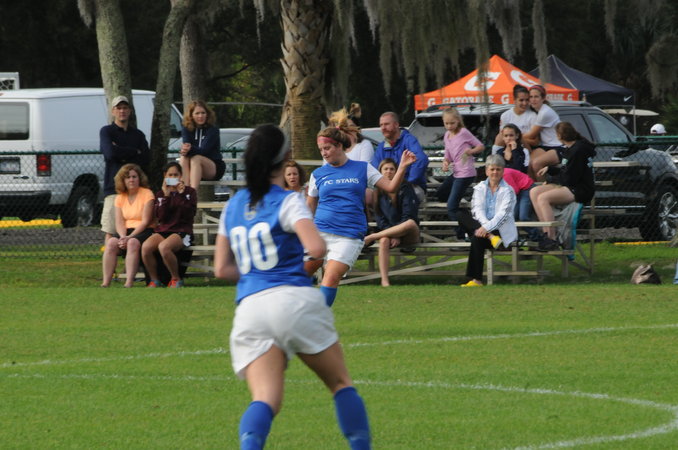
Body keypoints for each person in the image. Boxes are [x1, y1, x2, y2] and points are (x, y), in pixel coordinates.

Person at [214, 124, 371, 449]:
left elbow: (221, 269)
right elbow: (316, 248)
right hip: (293, 300)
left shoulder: (233, 205)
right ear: (285, 157)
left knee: (265, 398)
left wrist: (258, 274)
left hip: (250, 308)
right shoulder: (288, 201)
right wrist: (282, 272)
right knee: (340, 383)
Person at [305, 125, 417, 307]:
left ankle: (317, 318)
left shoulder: (363, 168)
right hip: (320, 233)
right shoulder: (318, 174)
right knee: (297, 276)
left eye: (327, 148)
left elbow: (391, 188)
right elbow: (309, 207)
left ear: (339, 146)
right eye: (321, 150)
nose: (324, 153)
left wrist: (403, 166)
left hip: (348, 236)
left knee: (331, 276)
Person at [530, 121, 596, 251]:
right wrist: (550, 169)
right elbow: (566, 171)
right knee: (534, 192)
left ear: (560, 136)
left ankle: (552, 238)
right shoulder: (570, 149)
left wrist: (551, 179)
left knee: (543, 198)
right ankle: (546, 233)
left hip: (580, 189)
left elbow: (570, 179)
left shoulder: (578, 150)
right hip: (570, 184)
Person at [457, 155, 517, 287]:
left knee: (476, 237)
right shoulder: (479, 188)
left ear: (503, 171)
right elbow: (477, 210)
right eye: (492, 169)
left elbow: (503, 215)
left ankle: (476, 280)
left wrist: (485, 228)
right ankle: (490, 237)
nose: (495, 172)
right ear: (486, 171)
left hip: (500, 231)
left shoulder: (508, 191)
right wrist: (486, 230)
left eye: (498, 169)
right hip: (486, 232)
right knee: (460, 214)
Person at [99, 95, 150, 243]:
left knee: (135, 229)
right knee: (110, 230)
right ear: (113, 111)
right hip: (113, 189)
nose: (122, 111)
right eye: (119, 108)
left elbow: (145, 158)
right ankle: (110, 256)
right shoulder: (107, 131)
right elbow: (109, 154)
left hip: (135, 192)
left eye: (125, 108)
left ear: (130, 111)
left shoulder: (138, 135)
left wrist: (119, 151)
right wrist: (134, 152)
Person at [364, 158, 421, 287]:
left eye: (392, 169)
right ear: (380, 172)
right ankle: (385, 281)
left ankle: (372, 237)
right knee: (384, 240)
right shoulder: (377, 192)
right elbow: (380, 220)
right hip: (388, 233)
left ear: (396, 172)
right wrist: (392, 234)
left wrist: (397, 235)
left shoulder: (406, 188)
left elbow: (409, 215)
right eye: (385, 169)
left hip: (409, 233)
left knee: (410, 223)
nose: (388, 172)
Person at [141, 162, 197, 288]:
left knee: (164, 247)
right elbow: (161, 217)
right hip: (164, 230)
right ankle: (154, 280)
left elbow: (189, 214)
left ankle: (176, 279)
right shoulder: (160, 194)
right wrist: (166, 196)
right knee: (145, 247)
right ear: (165, 176)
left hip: (182, 230)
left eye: (175, 175)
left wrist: (181, 195)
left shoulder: (190, 192)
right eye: (170, 175)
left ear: (181, 176)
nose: (173, 178)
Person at [101, 164, 155, 288]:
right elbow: (119, 221)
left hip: (144, 230)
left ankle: (129, 282)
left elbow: (145, 221)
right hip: (125, 231)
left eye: (134, 177)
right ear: (123, 180)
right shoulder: (120, 197)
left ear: (139, 178)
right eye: (128, 177)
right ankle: (106, 282)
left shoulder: (147, 194)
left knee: (132, 243)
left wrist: (129, 237)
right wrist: (122, 237)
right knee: (111, 243)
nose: (131, 180)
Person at [438, 107, 484, 240]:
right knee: (441, 195)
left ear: (458, 121)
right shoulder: (447, 135)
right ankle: (465, 216)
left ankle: (462, 234)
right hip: (456, 173)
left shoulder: (463, 132)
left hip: (466, 173)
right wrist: (445, 162)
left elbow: (480, 146)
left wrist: (470, 151)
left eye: (452, 123)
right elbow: (447, 154)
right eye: (446, 123)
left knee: (451, 206)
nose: (449, 126)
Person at [370, 111, 429, 203]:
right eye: (381, 125)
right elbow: (374, 169)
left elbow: (421, 160)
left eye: (386, 124)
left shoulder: (409, 140)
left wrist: (408, 182)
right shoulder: (381, 147)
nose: (383, 128)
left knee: (401, 194)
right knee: (369, 195)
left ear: (396, 125)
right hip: (387, 187)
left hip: (412, 187)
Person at [179, 100, 225, 189]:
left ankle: (192, 193)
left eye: (203, 113)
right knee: (184, 157)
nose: (200, 116)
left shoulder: (213, 129)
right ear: (191, 115)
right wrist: (184, 150)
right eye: (197, 113)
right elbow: (187, 146)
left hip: (213, 168)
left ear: (207, 114)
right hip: (193, 168)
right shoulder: (186, 128)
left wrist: (189, 149)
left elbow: (204, 150)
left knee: (196, 158)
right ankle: (184, 192)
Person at [522, 85, 563, 180]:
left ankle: (541, 186)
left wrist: (517, 135)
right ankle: (532, 187)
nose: (533, 100)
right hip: (545, 146)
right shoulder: (536, 111)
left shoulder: (545, 112)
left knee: (536, 163)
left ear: (543, 98)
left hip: (559, 147)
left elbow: (531, 134)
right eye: (531, 97)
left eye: (536, 97)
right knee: (528, 164)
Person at [492, 84, 537, 150]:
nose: (524, 103)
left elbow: (535, 142)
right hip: (508, 147)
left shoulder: (533, 116)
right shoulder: (505, 115)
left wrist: (518, 138)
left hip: (525, 149)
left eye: (527, 100)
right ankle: (495, 155)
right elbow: (502, 137)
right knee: (499, 137)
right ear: (515, 100)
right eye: (521, 100)